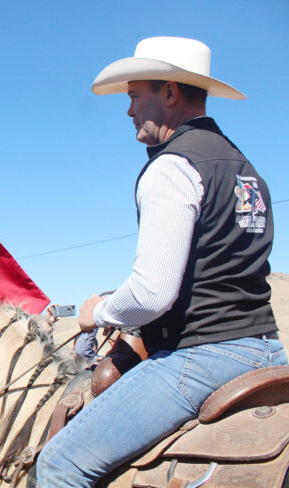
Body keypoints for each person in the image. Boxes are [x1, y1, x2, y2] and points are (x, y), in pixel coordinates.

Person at [36, 37, 287, 487]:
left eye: (135, 95)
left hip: (204, 354)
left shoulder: (172, 167)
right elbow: (215, 268)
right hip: (267, 348)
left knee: (59, 465)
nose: (128, 110)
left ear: (170, 93)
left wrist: (100, 312)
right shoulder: (247, 170)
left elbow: (153, 293)